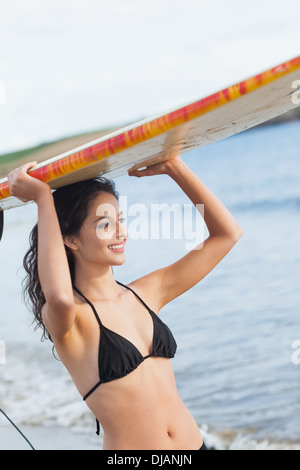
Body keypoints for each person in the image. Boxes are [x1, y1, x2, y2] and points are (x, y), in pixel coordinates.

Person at [7, 155, 243, 450]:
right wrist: (43, 198)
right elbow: (59, 295)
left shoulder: (147, 292)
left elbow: (226, 235)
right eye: (105, 224)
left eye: (120, 220)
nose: (121, 232)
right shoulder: (69, 318)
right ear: (70, 239)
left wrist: (174, 168)